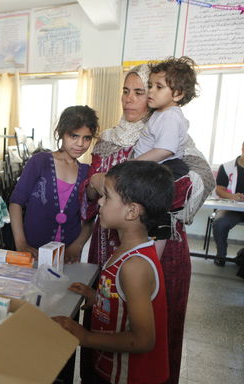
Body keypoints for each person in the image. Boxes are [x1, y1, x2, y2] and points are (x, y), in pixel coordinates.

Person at [82, 64, 214, 384]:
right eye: (125, 92)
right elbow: (88, 194)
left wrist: (155, 193)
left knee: (147, 328)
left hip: (160, 254)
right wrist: (96, 183)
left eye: (140, 92)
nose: (129, 100)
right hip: (107, 248)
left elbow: (201, 181)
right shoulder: (107, 140)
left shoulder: (169, 133)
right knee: (105, 316)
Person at [55, 161, 174, 384]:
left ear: (131, 211)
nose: (99, 201)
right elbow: (123, 299)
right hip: (112, 370)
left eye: (107, 196)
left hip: (132, 377)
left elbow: (143, 340)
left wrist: (86, 336)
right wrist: (96, 297)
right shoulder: (125, 249)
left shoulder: (135, 266)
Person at [9, 106, 98, 263]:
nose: (80, 144)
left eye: (87, 138)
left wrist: (76, 246)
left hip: (66, 258)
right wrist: (21, 243)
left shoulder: (87, 172)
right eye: (74, 136)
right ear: (61, 133)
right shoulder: (39, 162)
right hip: (32, 252)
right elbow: (16, 202)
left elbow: (89, 217)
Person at [133, 57, 198, 180]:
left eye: (159, 87)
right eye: (150, 85)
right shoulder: (161, 113)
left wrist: (134, 163)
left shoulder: (170, 116)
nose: (151, 91)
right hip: (151, 166)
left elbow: (164, 150)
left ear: (178, 94)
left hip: (160, 168)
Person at [212, 141, 244, 267]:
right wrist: (233, 197)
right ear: (242, 148)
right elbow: (219, 189)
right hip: (231, 208)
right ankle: (221, 256)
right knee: (220, 223)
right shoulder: (227, 167)